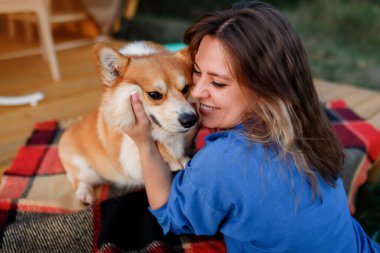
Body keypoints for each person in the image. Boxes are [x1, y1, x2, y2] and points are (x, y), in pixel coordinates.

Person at [122, 1, 380, 252]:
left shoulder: (222, 162)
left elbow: (169, 215)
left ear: (266, 87)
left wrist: (144, 142)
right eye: (197, 72)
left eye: (219, 83)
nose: (198, 92)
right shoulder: (306, 119)